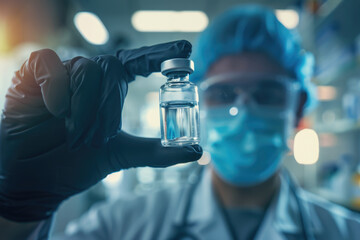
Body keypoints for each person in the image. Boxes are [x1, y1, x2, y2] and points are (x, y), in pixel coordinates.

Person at [0, 4, 359, 240]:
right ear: (198, 104)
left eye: (266, 95)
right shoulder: (120, 226)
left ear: (297, 110)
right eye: (223, 94)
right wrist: (18, 217)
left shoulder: (344, 232)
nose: (242, 111)